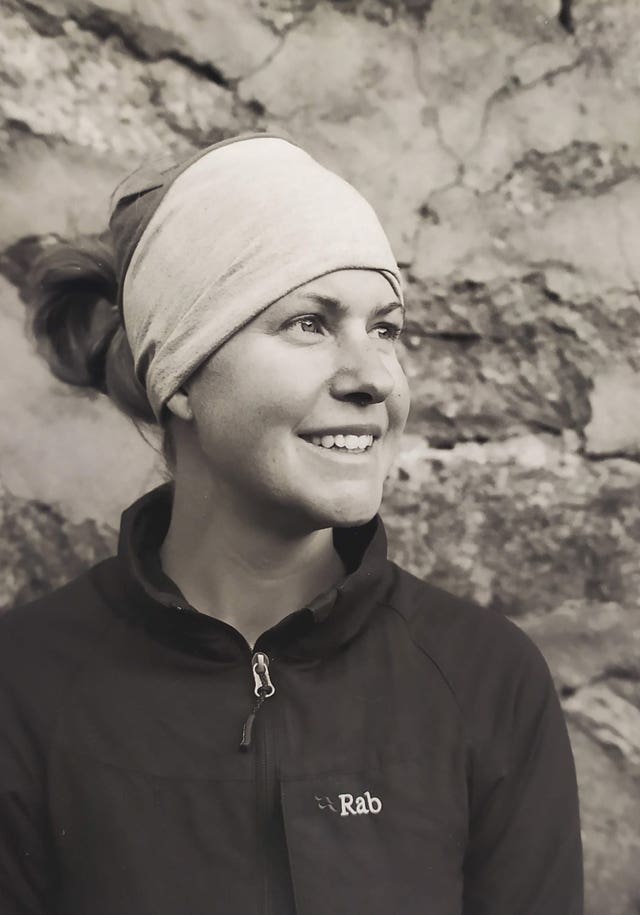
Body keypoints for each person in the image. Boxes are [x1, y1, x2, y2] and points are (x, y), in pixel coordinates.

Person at [0, 132, 583, 915]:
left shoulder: (487, 681)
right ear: (181, 375)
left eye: (386, 329)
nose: (375, 379)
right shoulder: (23, 688)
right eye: (310, 322)